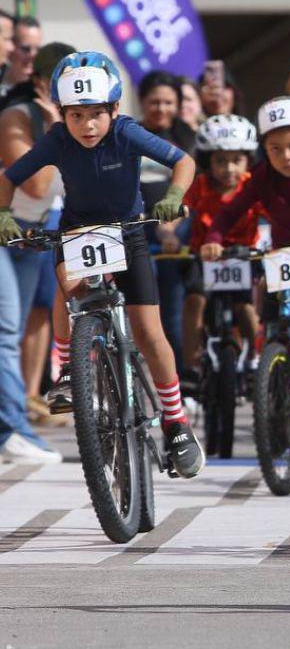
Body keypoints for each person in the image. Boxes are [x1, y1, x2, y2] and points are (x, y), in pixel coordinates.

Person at [0, 51, 205, 476]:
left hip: (128, 232)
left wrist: (173, 196)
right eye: (76, 115)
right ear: (62, 114)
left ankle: (176, 421)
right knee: (68, 290)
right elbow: (8, 179)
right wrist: (4, 214)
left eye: (96, 114)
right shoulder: (57, 139)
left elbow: (183, 161)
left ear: (114, 109)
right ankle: (68, 371)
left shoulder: (127, 131)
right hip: (78, 231)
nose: (87, 125)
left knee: (149, 332)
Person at [180, 115, 262, 455]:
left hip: (243, 258)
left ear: (247, 160)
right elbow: (180, 211)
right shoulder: (199, 186)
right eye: (221, 160)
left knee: (247, 307)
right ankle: (190, 367)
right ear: (208, 161)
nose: (229, 168)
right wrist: (169, 233)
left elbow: (270, 212)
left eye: (236, 159)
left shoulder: (251, 185)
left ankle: (256, 359)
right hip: (205, 258)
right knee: (194, 301)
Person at [0, 42, 73, 425]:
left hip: (33, 230)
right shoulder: (17, 116)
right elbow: (36, 185)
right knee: (7, 326)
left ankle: (19, 406)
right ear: (43, 82)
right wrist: (55, 130)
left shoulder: (80, 120)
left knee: (24, 319)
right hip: (6, 226)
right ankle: (12, 418)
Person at [202, 96, 290, 255]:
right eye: (275, 149)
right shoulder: (261, 176)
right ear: (265, 149)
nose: (286, 156)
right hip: (282, 258)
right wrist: (213, 240)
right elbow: (230, 213)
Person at [137, 71, 196, 367]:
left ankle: (178, 372)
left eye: (168, 103)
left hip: (175, 232)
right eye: (154, 102)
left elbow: (191, 194)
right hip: (136, 231)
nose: (161, 109)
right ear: (142, 102)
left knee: (172, 307)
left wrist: (168, 229)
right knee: (141, 303)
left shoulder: (187, 139)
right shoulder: (130, 136)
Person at [1, 16, 42, 107]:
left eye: (38, 50)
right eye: (26, 49)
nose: (33, 55)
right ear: (11, 47)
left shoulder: (41, 91)